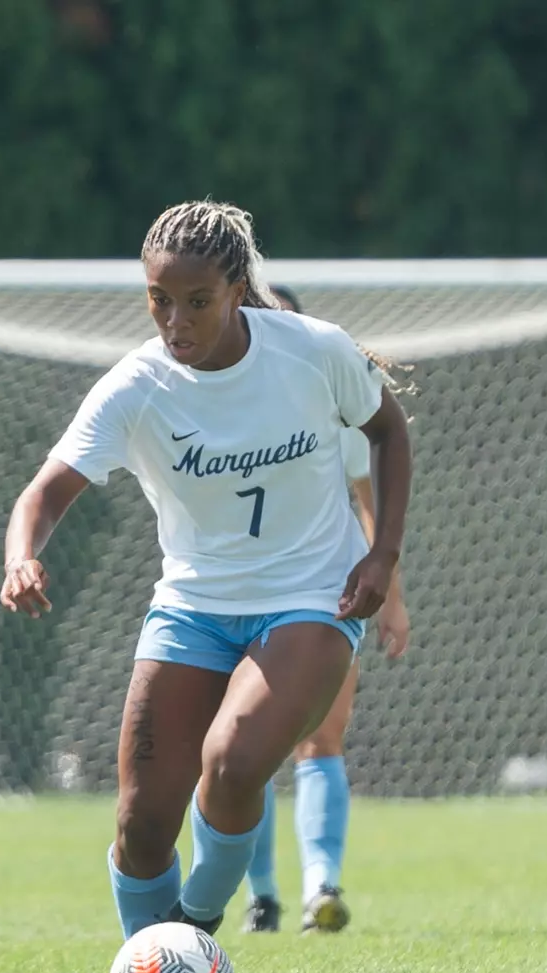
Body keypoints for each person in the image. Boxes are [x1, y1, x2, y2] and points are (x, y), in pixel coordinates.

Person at [0, 200, 412, 938]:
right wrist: (20, 557)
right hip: (192, 610)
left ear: (236, 290)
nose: (176, 322)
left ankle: (189, 937)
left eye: (197, 302)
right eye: (159, 300)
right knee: (139, 823)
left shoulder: (311, 351)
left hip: (313, 599)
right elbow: (43, 492)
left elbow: (388, 431)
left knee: (229, 764)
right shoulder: (136, 386)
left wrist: (382, 556)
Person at [241, 286, 412, 935]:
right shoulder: (206, 404)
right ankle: (261, 896)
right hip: (237, 599)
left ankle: (321, 888)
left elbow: (370, 502)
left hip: (322, 594)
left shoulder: (327, 407)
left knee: (321, 739)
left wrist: (390, 597)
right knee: (243, 750)